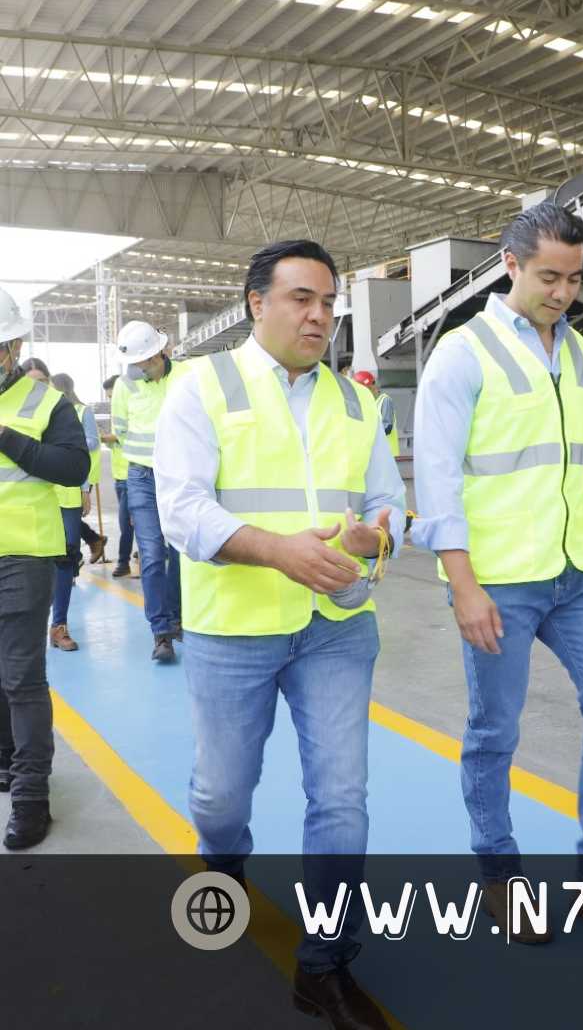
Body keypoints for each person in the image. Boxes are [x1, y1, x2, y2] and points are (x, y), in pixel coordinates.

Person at [156, 239, 404, 1027]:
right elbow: (182, 512)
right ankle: (222, 861)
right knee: (222, 792)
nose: (320, 315)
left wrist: (374, 537)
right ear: (256, 303)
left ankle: (325, 965)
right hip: (236, 627)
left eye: (329, 302)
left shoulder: (359, 402)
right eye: (302, 298)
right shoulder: (202, 387)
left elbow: (387, 507)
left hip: (336, 627)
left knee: (341, 799)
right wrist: (280, 551)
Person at [412, 202, 583, 943]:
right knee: (495, 729)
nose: (562, 292)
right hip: (499, 581)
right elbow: (437, 481)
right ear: (510, 264)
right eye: (548, 276)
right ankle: (500, 874)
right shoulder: (463, 354)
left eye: (575, 280)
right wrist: (463, 586)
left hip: (580, 573)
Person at [0, 291, 89, 849]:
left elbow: (73, 466)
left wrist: (7, 440)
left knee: (20, 675)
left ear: (11, 347)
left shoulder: (42, 403)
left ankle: (32, 796)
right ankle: (7, 762)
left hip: (23, 554)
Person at [111, 320, 188, 661]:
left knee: (181, 553)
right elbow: (121, 430)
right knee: (153, 555)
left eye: (146, 360)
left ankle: (176, 618)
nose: (141, 367)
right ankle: (161, 633)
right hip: (141, 477)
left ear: (161, 351)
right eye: (136, 363)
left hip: (182, 476)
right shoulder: (124, 385)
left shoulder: (186, 376)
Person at [45, 374, 96, 653]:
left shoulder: (71, 412)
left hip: (66, 495)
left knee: (66, 558)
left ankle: (59, 625)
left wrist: (84, 488)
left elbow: (81, 455)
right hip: (28, 500)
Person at [100, 375, 135, 577]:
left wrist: (102, 437)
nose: (112, 400)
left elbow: (123, 436)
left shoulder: (131, 410)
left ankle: (123, 562)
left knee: (126, 522)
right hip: (120, 476)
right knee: (132, 522)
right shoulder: (117, 413)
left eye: (113, 395)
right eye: (109, 397)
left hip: (132, 475)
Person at [353, 370, 399, 457]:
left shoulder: (385, 400)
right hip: (375, 454)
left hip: (387, 455)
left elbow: (387, 427)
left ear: (370, 387)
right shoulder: (369, 404)